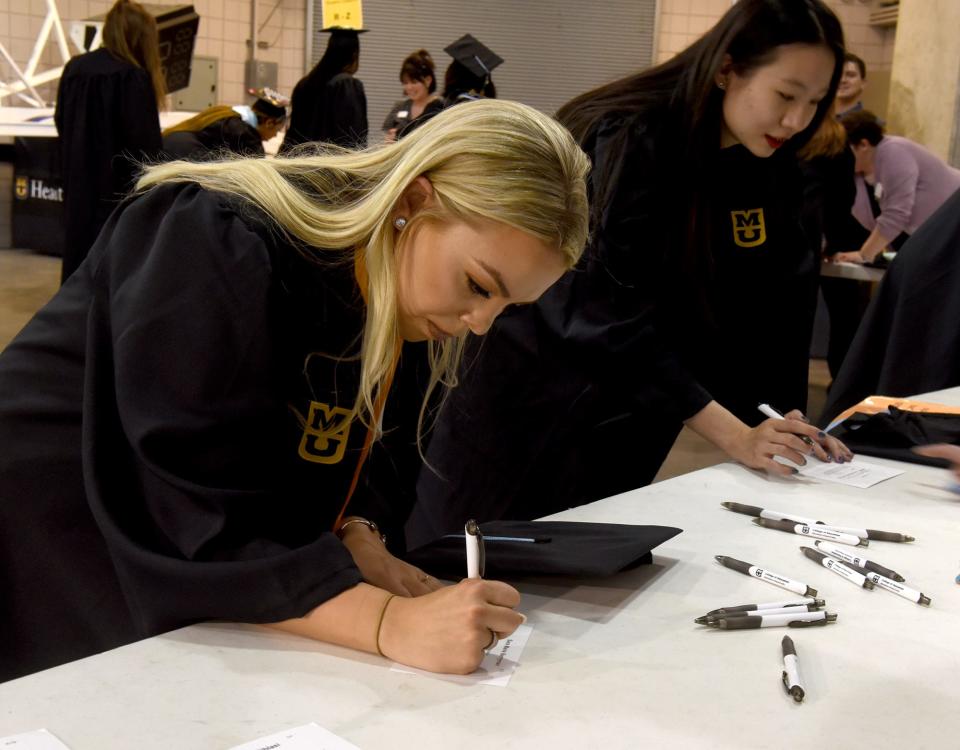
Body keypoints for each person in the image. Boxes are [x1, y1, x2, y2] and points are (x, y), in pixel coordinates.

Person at [0, 99, 590, 682]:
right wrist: (386, 622)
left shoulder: (404, 298)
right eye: (479, 285)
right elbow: (190, 512)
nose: (482, 323)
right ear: (414, 199)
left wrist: (359, 537)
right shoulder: (218, 240)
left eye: (509, 307)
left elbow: (360, 467)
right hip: (40, 538)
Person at [407, 0, 853, 545]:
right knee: (464, 567)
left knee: (573, 586)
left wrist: (782, 421)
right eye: (785, 95)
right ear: (725, 68)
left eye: (815, 102)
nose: (796, 120)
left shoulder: (763, 165)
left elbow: (760, 308)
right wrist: (732, 432)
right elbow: (593, 309)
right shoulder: (630, 135)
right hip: (531, 405)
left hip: (633, 420)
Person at [54, 0, 165, 283]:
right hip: (116, 195)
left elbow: (60, 121)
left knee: (78, 262)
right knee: (112, 272)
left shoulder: (74, 69)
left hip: (77, 187)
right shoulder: (132, 77)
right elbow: (145, 148)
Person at [831, 110, 960, 265]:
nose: (839, 156)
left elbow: (896, 214)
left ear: (863, 145)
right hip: (936, 238)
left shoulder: (894, 150)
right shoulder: (855, 174)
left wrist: (864, 254)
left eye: (844, 150)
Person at [798, 105, 870, 379]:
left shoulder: (781, 132)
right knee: (846, 321)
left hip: (775, 238)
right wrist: (836, 243)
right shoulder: (835, 139)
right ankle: (842, 390)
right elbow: (843, 200)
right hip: (810, 240)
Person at [281, 28, 367, 152]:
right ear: (354, 55)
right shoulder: (346, 85)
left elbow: (293, 134)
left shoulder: (305, 84)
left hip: (299, 163)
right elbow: (353, 139)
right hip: (328, 165)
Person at [161, 89, 289, 159]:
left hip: (171, 144)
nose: (275, 136)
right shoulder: (246, 136)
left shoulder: (228, 113)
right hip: (179, 156)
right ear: (269, 123)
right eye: (277, 131)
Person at [382, 50, 443, 142]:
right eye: (405, 83)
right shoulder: (400, 106)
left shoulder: (440, 107)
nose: (409, 87)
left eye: (414, 82)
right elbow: (386, 132)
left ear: (428, 80)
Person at [835, 52, 867, 118]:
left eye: (850, 75)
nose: (842, 80)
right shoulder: (814, 120)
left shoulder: (872, 125)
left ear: (863, 83)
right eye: (837, 74)